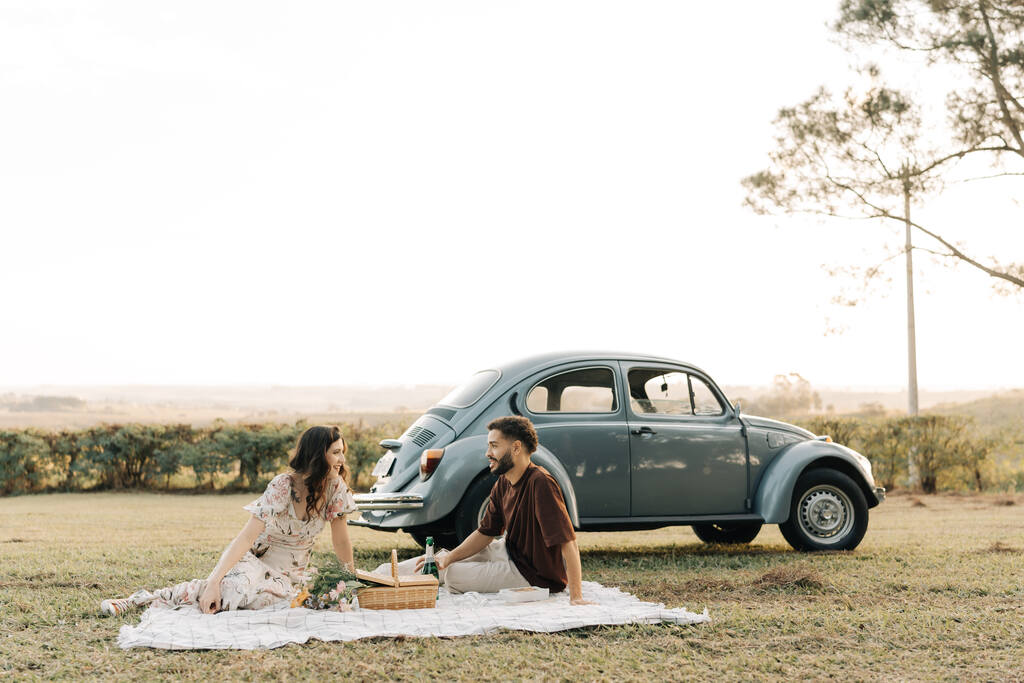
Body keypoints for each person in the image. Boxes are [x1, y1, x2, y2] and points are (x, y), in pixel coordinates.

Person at [99, 425, 357, 616]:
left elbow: (341, 541)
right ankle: (142, 599)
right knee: (232, 589)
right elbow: (246, 537)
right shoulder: (282, 486)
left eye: (342, 453)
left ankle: (227, 593)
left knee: (269, 603)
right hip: (254, 563)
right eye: (336, 452)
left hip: (288, 578)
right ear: (317, 454)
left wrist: (351, 582)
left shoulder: (336, 489)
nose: (342, 460)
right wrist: (214, 582)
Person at [386, 416, 596, 606]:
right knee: (441, 559)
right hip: (508, 551)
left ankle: (400, 579)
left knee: (452, 574)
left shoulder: (541, 483)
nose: (488, 453)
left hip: (531, 574)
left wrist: (576, 595)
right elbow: (485, 533)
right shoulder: (503, 482)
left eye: (494, 446)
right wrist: (449, 557)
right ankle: (379, 576)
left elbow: (568, 542)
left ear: (516, 448)